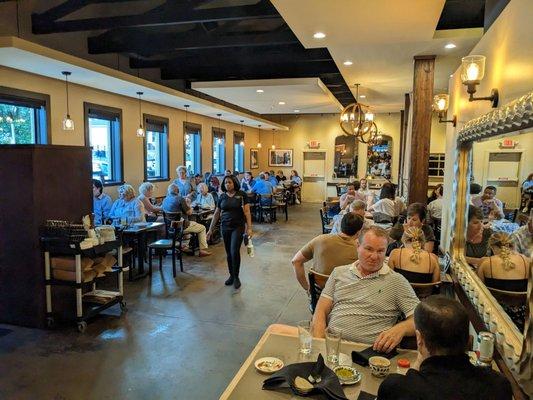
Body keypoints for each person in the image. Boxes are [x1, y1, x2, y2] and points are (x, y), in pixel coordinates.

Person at [377, 296, 512, 400]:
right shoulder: (499, 385)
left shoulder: (396, 388)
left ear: (420, 339)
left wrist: (418, 362)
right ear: (469, 340)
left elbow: (411, 384)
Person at [312, 226, 420, 349]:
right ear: (358, 245)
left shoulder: (397, 281)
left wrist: (402, 328)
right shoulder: (338, 273)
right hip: (332, 346)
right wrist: (319, 344)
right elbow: (321, 310)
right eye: (369, 249)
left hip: (370, 353)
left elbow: (419, 320)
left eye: (380, 251)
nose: (374, 257)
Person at [291, 214, 363, 292]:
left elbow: (296, 261)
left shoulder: (320, 240)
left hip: (319, 293)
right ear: (358, 232)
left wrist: (307, 288)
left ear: (340, 226)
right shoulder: (360, 251)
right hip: (344, 296)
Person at [207, 175, 253, 289]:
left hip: (238, 226)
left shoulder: (242, 195)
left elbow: (247, 212)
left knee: (234, 251)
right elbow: (217, 213)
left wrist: (249, 228)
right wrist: (210, 230)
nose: (227, 184)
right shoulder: (222, 196)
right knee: (228, 253)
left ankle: (236, 277)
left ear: (235, 183)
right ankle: (231, 276)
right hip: (225, 227)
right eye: (226, 183)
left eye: (230, 182)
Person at [477, 232, 530, 330]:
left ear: (492, 247)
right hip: (523, 318)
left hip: (494, 316)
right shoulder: (527, 261)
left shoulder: (485, 263)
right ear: (512, 245)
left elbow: (480, 293)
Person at [161, 183, 212, 257]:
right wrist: (188, 204)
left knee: (191, 223)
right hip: (181, 227)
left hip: (170, 228)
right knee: (202, 228)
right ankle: (202, 250)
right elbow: (189, 212)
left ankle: (184, 246)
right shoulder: (180, 199)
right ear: (177, 190)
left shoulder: (165, 199)